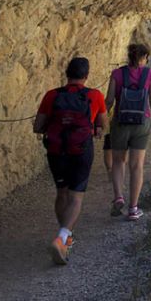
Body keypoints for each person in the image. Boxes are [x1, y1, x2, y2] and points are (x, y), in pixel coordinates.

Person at [33, 56, 107, 265]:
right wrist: (96, 128)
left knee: (62, 192)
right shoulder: (95, 95)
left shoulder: (51, 96)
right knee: (76, 197)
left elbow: (37, 127)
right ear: (86, 75)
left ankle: (64, 236)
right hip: (81, 150)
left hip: (57, 151)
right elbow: (102, 125)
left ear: (67, 73)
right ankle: (62, 237)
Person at [105, 42, 151, 221]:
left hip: (120, 123)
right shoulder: (150, 74)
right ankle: (133, 209)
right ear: (144, 57)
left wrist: (99, 122)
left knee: (117, 161)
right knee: (137, 165)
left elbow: (108, 101)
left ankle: (118, 197)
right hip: (141, 123)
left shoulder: (116, 74)